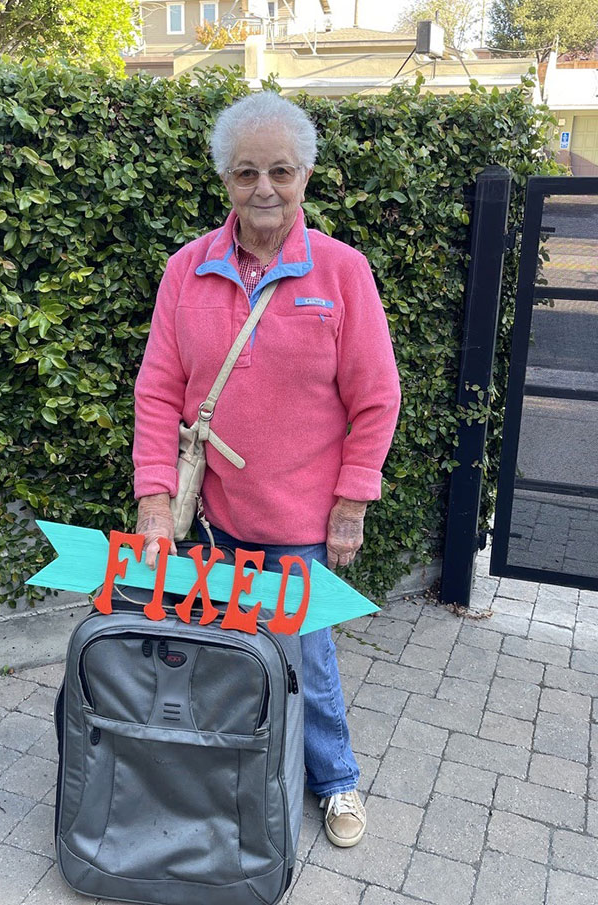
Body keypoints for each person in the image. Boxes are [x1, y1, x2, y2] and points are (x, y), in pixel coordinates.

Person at [133, 91, 401, 848]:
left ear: (306, 174)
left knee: (306, 659)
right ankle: (237, 775)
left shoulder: (342, 274)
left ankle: (337, 779)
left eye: (280, 171)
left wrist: (351, 503)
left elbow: (377, 397)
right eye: (246, 172)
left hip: (296, 525)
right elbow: (157, 389)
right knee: (219, 660)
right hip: (210, 522)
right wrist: (156, 501)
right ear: (225, 179)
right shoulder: (187, 270)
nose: (265, 189)